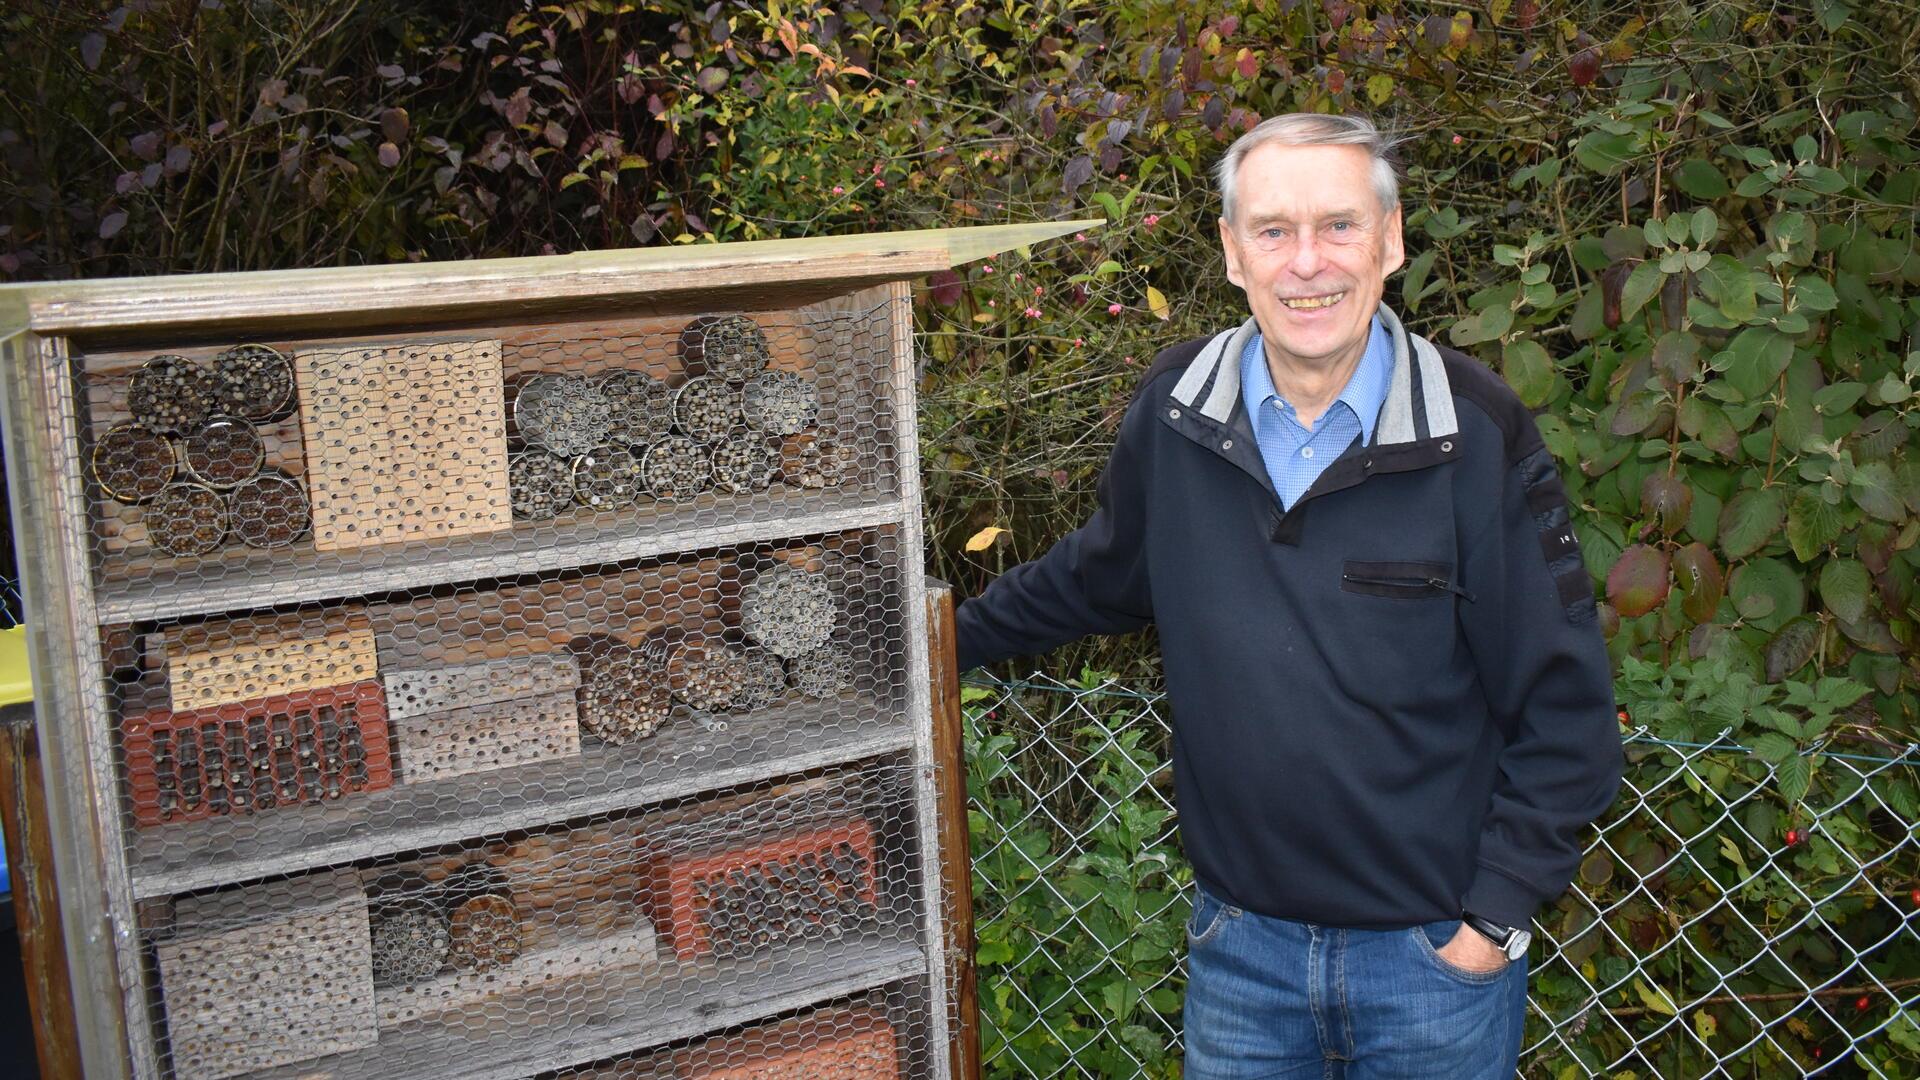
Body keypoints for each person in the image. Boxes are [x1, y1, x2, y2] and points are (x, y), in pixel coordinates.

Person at [954, 113, 1623, 1078]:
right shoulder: (1180, 411)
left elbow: (1569, 717)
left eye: (1339, 226)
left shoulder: (1473, 434)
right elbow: (1094, 578)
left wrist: (1491, 921)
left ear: (1391, 240)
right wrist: (930, 644)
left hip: (1431, 965)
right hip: (1241, 956)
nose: (1307, 262)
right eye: (1273, 230)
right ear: (1232, 253)